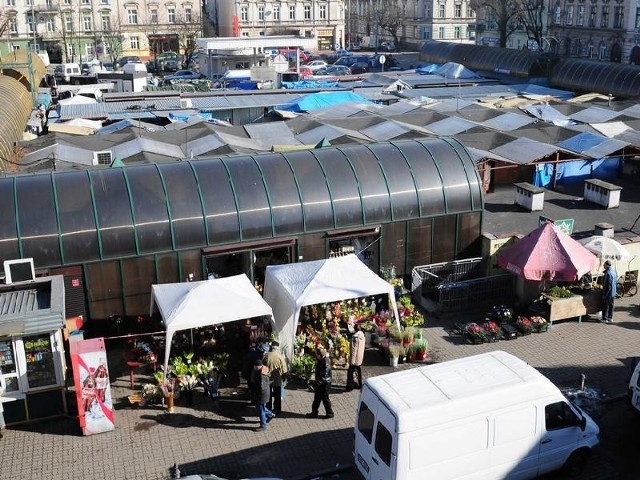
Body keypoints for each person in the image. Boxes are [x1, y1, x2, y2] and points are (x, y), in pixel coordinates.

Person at [306, 346, 334, 419]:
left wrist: (315, 384)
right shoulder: (322, 360)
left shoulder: (325, 363)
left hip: (324, 385)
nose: (315, 357)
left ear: (319, 355)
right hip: (321, 383)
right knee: (317, 399)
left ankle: (330, 413)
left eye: (316, 355)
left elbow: (324, 377)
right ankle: (314, 413)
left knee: (325, 399)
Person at [263, 341, 288, 414]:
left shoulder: (266, 355)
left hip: (268, 378)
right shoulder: (280, 356)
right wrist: (284, 378)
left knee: (269, 394)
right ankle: (277, 409)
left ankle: (268, 408)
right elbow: (284, 370)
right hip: (277, 379)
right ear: (277, 348)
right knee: (277, 395)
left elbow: (263, 365)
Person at [250, 359, 275, 431]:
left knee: (261, 410)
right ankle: (270, 415)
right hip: (264, 394)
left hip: (262, 395)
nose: (253, 367)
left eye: (255, 366)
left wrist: (258, 395)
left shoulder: (262, 376)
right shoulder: (262, 370)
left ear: (258, 366)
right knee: (261, 408)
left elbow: (262, 388)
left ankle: (263, 425)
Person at [346, 324, 366, 392]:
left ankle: (350, 387)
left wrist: (352, 361)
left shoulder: (355, 337)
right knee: (358, 371)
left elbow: (354, 350)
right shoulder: (362, 336)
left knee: (350, 372)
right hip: (360, 358)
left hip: (355, 359)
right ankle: (359, 384)